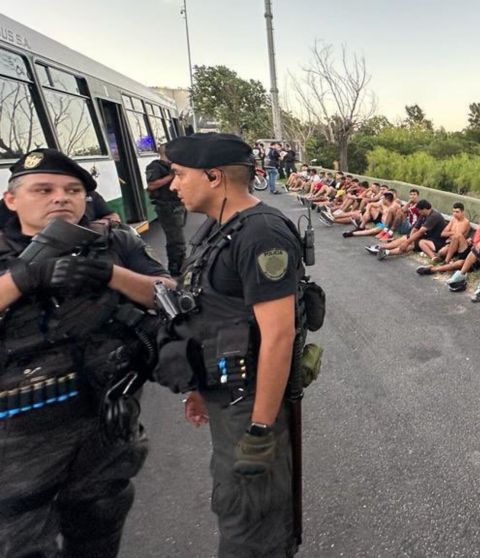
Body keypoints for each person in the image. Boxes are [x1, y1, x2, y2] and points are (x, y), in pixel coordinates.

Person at [0, 148, 171, 557]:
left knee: (99, 524)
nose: (60, 198)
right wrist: (27, 276)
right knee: (20, 542)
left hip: (106, 416)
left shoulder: (114, 241)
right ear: (11, 199)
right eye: (43, 189)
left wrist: (112, 274)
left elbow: (170, 295)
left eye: (72, 189)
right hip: (18, 433)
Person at [154, 133, 304, 557]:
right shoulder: (217, 227)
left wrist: (259, 429)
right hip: (226, 394)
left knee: (250, 519)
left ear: (214, 176)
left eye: (179, 174)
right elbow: (209, 314)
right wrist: (200, 387)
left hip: (250, 404)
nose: (173, 184)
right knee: (237, 503)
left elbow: (278, 335)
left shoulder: (261, 234)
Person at [146, 146, 187, 276]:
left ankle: (178, 265)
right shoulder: (155, 167)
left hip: (177, 204)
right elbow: (152, 185)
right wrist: (171, 176)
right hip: (166, 206)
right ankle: (176, 269)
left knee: (177, 237)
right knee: (176, 240)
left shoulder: (173, 166)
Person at [416, 210, 480, 277]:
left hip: (477, 257)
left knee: (460, 263)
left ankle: (434, 269)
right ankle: (446, 261)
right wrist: (469, 240)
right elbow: (474, 240)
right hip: (470, 249)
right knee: (457, 235)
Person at [371, 199, 446, 261]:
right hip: (426, 236)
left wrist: (408, 242)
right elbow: (416, 228)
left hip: (435, 240)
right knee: (405, 238)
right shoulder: (423, 215)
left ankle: (387, 252)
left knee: (411, 244)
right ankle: (380, 247)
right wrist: (409, 237)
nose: (418, 212)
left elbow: (421, 231)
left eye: (419, 210)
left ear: (425, 209)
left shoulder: (434, 216)